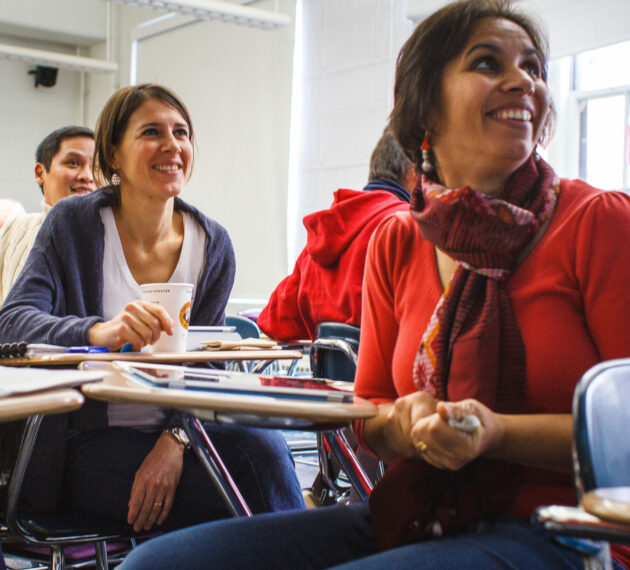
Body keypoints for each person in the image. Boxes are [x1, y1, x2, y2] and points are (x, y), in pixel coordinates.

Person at [117, 1, 630, 568]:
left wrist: (497, 433)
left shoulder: (597, 221)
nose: (522, 82)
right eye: (488, 63)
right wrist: (405, 426)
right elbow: (372, 420)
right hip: (421, 512)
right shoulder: (397, 241)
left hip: (573, 533)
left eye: (534, 68)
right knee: (154, 564)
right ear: (424, 113)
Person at [0, 84, 304, 532]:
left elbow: (202, 366)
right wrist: (98, 331)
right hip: (83, 439)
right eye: (151, 132)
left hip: (179, 431)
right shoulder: (73, 224)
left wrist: (174, 440)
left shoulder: (212, 243)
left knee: (267, 451)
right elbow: (12, 321)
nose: (172, 145)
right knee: (227, 503)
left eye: (181, 132)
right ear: (114, 155)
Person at [257, 128, 416, 341]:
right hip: (389, 373)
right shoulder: (410, 227)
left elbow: (273, 321)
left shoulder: (324, 233)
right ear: (414, 173)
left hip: (327, 374)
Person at [0, 126, 97, 304]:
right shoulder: (14, 229)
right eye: (74, 163)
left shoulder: (115, 237)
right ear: (40, 173)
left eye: (97, 166)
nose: (87, 176)